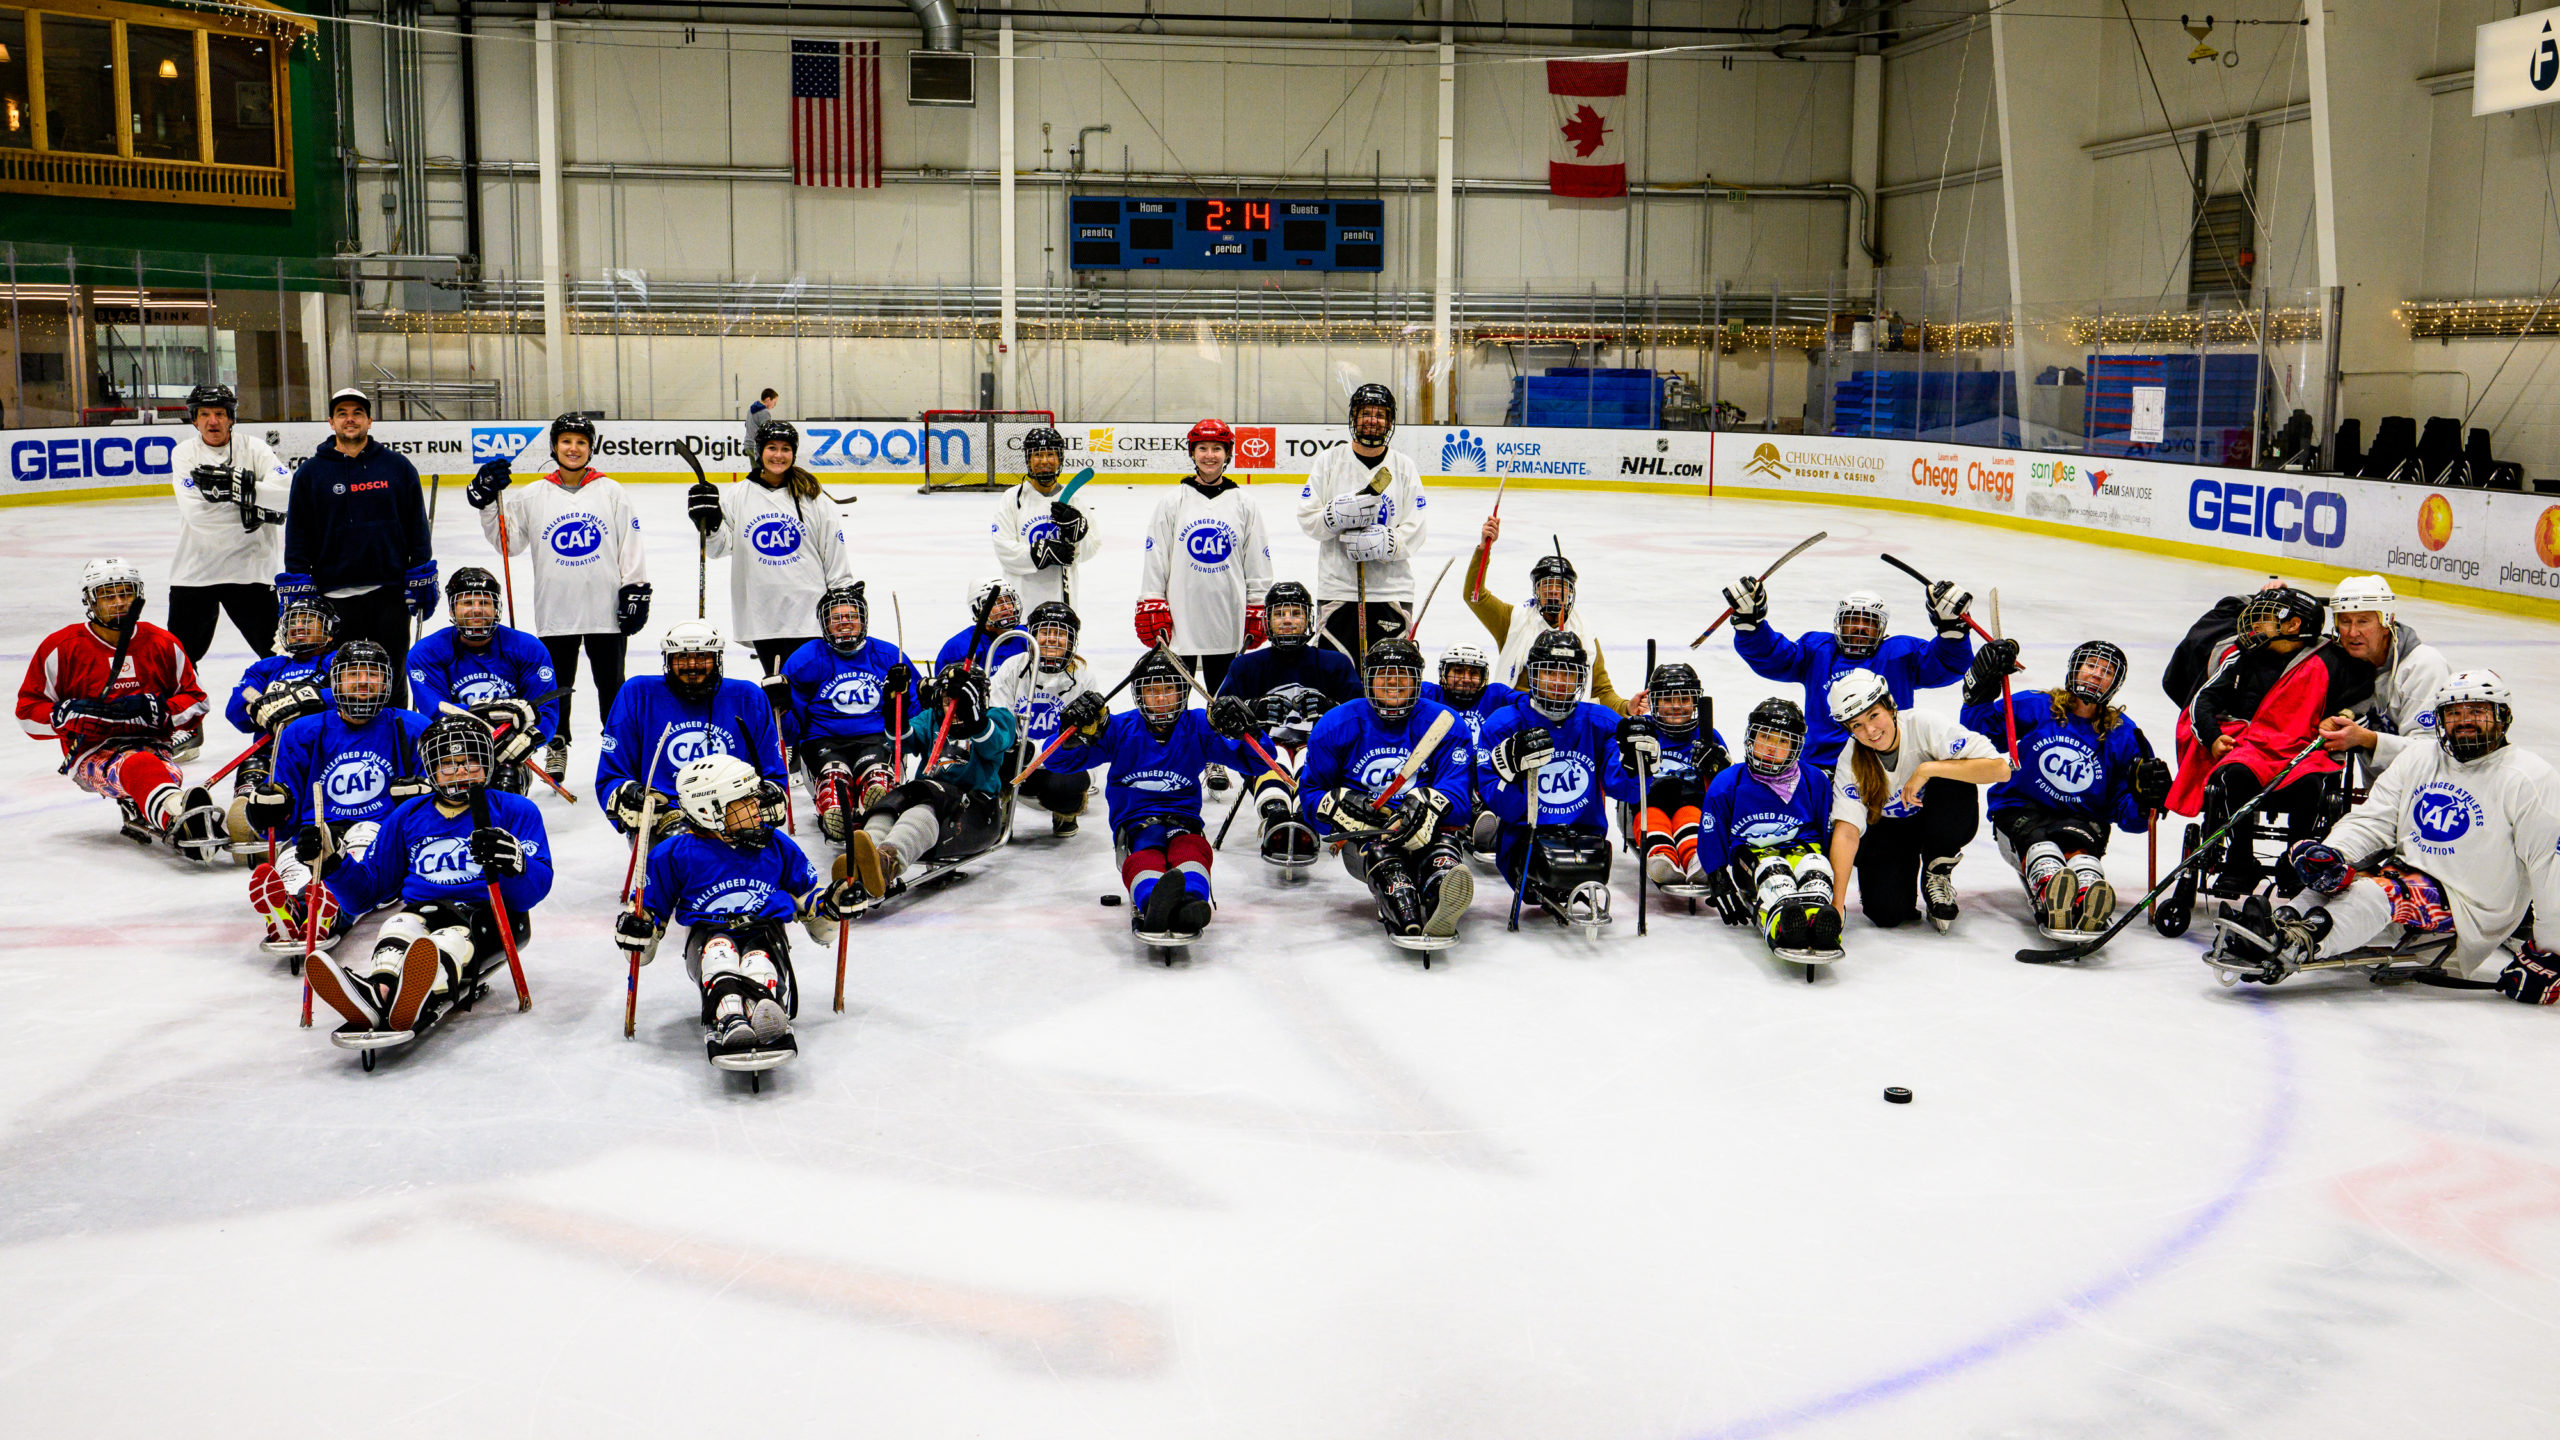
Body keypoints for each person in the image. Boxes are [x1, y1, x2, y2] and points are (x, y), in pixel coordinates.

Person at [2215, 671, 2560, 1006]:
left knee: (2372, 892)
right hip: (2407, 874)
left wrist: (2553, 953)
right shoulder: (2419, 756)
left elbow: (2550, 869)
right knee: (2332, 883)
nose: (2464, 720)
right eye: (2453, 712)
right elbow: (2374, 818)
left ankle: (2295, 943)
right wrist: (2334, 853)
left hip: (2471, 903)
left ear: (2503, 717)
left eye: (2477, 711)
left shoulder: (2530, 777)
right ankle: (2275, 925)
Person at [299, 714, 553, 1040]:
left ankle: (417, 992)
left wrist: (515, 863)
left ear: (488, 763)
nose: (461, 771)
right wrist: (333, 863)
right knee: (398, 926)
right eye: (448, 763)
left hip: (491, 918)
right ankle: (383, 991)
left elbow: (532, 892)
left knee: (446, 943)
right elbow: (365, 893)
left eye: (470, 761)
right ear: (431, 768)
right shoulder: (407, 815)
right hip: (423, 911)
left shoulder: (515, 809)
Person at [617, 754, 849, 1066]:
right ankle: (730, 1017)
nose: (758, 808)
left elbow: (813, 910)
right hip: (707, 939)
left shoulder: (776, 845)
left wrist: (834, 904)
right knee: (719, 951)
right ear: (709, 811)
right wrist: (636, 928)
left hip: (766, 935)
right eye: (745, 802)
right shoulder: (673, 855)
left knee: (758, 959)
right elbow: (648, 925)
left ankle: (764, 1011)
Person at [1041, 651, 1275, 941]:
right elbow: (1055, 761)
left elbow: (1260, 763)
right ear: (1138, 694)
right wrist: (1073, 734)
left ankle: (1191, 901)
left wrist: (1246, 730)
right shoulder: (1118, 728)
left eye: (1169, 689)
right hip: (1136, 824)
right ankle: (1154, 902)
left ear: (1183, 691)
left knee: (1191, 847)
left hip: (1183, 820)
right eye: (1151, 690)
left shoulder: (1201, 726)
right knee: (1144, 853)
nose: (1161, 698)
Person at [468, 413, 650, 778]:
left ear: (591, 448)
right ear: (554, 446)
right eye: (566, 441)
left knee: (611, 685)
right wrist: (489, 503)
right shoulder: (534, 494)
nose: (573, 448)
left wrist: (636, 588)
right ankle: (557, 743)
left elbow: (630, 544)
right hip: (556, 610)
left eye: (581, 442)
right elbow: (509, 543)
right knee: (555, 688)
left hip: (606, 610)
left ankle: (620, 747)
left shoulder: (611, 491)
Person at [2165, 583, 2373, 897]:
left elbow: (2364, 699)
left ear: (2293, 625)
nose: (2254, 623)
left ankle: (2293, 861)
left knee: (2310, 784)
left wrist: (2343, 715)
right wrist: (2213, 737)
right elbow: (2203, 700)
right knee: (2235, 774)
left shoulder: (2331, 659)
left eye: (2266, 617)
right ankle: (2239, 861)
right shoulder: (2245, 657)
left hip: (2302, 748)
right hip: (2254, 746)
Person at [16, 558, 219, 860]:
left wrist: (161, 710)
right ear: (91, 600)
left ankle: (177, 817)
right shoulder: (62, 647)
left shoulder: (162, 642)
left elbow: (197, 700)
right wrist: (67, 717)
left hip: (154, 747)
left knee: (148, 768)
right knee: (135, 766)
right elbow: (27, 712)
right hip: (91, 753)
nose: (119, 603)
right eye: (108, 596)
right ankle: (179, 819)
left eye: (125, 593)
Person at [1961, 639, 2168, 934]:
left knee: (2082, 858)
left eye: (2107, 671)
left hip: (2081, 820)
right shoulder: (2037, 706)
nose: (2097, 674)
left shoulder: (2124, 734)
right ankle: (2050, 890)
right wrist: (1980, 686)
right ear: (2074, 669)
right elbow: (1976, 733)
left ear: (2115, 684)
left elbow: (2130, 818)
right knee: (2042, 848)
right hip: (2021, 810)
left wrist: (2146, 800)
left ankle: (2088, 895)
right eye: (2091, 666)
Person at [243, 642, 432, 948]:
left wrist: (415, 803)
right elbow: (282, 816)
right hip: (315, 831)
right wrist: (268, 810)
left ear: (387, 682)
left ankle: (326, 912)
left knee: (361, 844)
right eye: (352, 674)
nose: (362, 682)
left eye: (373, 675)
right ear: (335, 682)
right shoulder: (300, 731)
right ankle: (292, 907)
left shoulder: (413, 728)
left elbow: (439, 807)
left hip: (380, 837)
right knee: (296, 858)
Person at [1298, 638, 1476, 948]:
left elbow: (1460, 799)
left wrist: (1431, 804)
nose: (1393, 683)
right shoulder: (1335, 725)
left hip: (1426, 832)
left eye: (1403, 675)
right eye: (1383, 675)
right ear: (1368, 681)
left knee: (1442, 856)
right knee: (1386, 860)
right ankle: (1403, 910)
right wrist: (1336, 806)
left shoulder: (1446, 724)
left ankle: (1440, 898)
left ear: (1418, 681)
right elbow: (1311, 796)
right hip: (1367, 836)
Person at [1473, 631, 1647, 926]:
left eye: (1568, 673)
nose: (1558, 681)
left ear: (1581, 679)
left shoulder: (1602, 722)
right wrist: (1509, 771)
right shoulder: (1503, 724)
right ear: (1533, 675)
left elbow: (1626, 790)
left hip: (1587, 837)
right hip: (1524, 840)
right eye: (1549, 672)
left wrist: (1639, 766)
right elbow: (1498, 801)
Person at [1823, 668, 2011, 933]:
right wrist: (1836, 905)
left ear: (1890, 707)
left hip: (1933, 820)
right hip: (1889, 832)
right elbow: (1846, 833)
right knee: (1886, 914)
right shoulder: (1850, 760)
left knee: (1954, 774)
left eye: (1874, 715)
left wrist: (1928, 770)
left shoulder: (1924, 725)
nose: (1871, 730)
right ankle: (1903, 872)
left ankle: (1937, 865)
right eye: (1857, 725)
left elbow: (2000, 770)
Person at [280, 388, 434, 708]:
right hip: (333, 595)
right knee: (342, 677)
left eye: (357, 413)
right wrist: (297, 576)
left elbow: (417, 527)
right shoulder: (310, 473)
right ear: (331, 422)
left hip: (388, 592)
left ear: (369, 421)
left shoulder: (397, 468)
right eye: (342, 414)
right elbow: (298, 532)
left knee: (391, 674)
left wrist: (421, 571)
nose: (350, 419)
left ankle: (395, 741)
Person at [1724, 579, 1972, 770]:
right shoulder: (1817, 651)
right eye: (1852, 620)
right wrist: (1750, 624)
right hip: (1823, 767)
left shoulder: (1900, 653)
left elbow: (1948, 664)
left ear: (1882, 628)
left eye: (1869, 622)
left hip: (1887, 766)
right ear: (1838, 624)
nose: (1860, 628)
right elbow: (1773, 656)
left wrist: (1952, 629)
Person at [841, 665, 1019, 907]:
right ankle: (864, 857)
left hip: (977, 811)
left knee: (923, 806)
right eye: (948, 701)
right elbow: (900, 743)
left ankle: (886, 862)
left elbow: (995, 743)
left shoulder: (999, 718)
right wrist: (895, 708)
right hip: (930, 793)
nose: (954, 709)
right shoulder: (932, 718)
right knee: (891, 803)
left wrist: (974, 720)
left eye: (963, 702)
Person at [688, 419, 856, 676]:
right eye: (772, 448)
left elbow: (833, 551)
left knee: (808, 692)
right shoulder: (737, 496)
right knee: (778, 693)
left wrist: (842, 595)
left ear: (794, 453)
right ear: (760, 451)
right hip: (763, 616)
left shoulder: (812, 497)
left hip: (808, 617)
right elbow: (719, 548)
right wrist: (710, 524)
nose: (779, 455)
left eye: (785, 449)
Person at [597, 620, 789, 840]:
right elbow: (611, 775)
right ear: (668, 661)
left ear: (717, 660)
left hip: (735, 813)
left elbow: (772, 774)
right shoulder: (638, 695)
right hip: (666, 818)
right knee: (681, 857)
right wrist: (628, 795)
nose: (692, 665)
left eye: (701, 657)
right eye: (682, 657)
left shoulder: (748, 697)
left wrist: (770, 794)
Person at [1217, 581, 1360, 862]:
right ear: (1267, 620)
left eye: (1295, 613)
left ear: (1308, 619)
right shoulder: (1245, 665)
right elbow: (1219, 716)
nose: (1287, 620)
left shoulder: (1336, 664)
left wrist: (1333, 711)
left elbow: (1362, 717)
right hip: (1267, 747)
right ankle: (1277, 816)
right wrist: (1251, 709)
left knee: (1311, 756)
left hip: (1318, 745)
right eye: (1279, 614)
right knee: (1274, 755)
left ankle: (1307, 818)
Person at [1135, 418, 1273, 696]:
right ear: (1192, 453)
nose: (1210, 456)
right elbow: (1156, 558)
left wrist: (1258, 604)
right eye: (1203, 448)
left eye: (1216, 449)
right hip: (1179, 621)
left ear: (1228, 454)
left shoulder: (1244, 504)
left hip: (1227, 619)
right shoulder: (1173, 501)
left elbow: (1257, 562)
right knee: (1173, 705)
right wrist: (1152, 600)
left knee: (1224, 705)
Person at [1697, 699, 1840, 956]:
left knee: (1815, 870)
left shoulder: (1814, 780)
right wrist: (1718, 877)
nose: (1772, 748)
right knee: (1776, 877)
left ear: (1796, 746)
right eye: (1765, 737)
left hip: (1803, 848)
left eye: (1783, 741)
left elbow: (1826, 828)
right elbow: (1711, 831)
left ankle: (1820, 924)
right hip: (1751, 857)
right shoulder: (1729, 782)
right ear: (1751, 738)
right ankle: (1783, 926)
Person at [1295, 384, 1427, 657]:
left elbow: (1417, 527)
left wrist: (1388, 542)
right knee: (1336, 678)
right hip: (1338, 589)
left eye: (1380, 415)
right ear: (1354, 418)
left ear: (1389, 422)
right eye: (1366, 413)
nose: (1372, 421)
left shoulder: (1403, 467)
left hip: (1391, 591)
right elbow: (1308, 519)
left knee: (1387, 679)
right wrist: (1332, 517)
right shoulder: (1329, 461)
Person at [781, 584, 921, 841]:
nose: (844, 623)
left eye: (851, 617)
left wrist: (904, 699)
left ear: (863, 620)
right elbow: (790, 733)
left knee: (877, 776)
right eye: (836, 618)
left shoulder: (889, 656)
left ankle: (879, 811)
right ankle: (835, 814)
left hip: (877, 737)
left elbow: (915, 716)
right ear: (824, 623)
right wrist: (779, 708)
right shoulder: (805, 660)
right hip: (823, 741)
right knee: (835, 780)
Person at [405, 567, 561, 794]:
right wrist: (491, 717)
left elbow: (545, 713)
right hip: (450, 747)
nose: (476, 610)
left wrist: (528, 740)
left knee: (507, 780)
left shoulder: (528, 649)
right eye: (467, 603)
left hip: (507, 753)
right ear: (452, 608)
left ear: (496, 608)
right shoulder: (426, 652)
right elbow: (437, 712)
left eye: (484, 603)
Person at [165, 382, 290, 668]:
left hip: (252, 572)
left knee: (279, 660)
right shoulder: (184, 453)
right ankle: (180, 713)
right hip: (195, 573)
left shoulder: (255, 448)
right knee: (178, 664)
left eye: (220, 413)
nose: (213, 421)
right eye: (205, 413)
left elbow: (286, 494)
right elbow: (197, 514)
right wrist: (254, 505)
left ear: (231, 417)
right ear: (194, 419)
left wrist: (235, 492)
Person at [220, 596, 342, 861]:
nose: (299, 627)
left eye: (309, 621)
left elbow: (350, 693)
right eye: (293, 622)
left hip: (322, 756)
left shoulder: (337, 662)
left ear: (330, 632)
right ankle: (264, 820)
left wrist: (310, 700)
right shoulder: (268, 667)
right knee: (243, 821)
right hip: (270, 755)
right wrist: (257, 708)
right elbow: (238, 704)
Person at [1461, 523, 1625, 711]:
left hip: (1566, 720)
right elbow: (1475, 597)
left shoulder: (1585, 633)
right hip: (1519, 716)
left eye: (1561, 585)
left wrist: (1627, 707)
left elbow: (1602, 691)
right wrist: (1484, 548)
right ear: (1536, 590)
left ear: (1570, 592)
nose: (1554, 591)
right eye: (1547, 585)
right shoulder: (1513, 619)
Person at [2316, 576, 2453, 779]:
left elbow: (2428, 752)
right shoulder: (2344, 665)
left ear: (2386, 620)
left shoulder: (2424, 666)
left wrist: (2367, 739)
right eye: (2345, 622)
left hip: (2425, 793)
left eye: (2363, 621)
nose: (2353, 632)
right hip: (2380, 794)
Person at [992, 600, 1098, 837]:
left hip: (1057, 764)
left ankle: (1065, 813)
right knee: (990, 757)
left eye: (1059, 633)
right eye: (1044, 632)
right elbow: (997, 717)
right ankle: (997, 811)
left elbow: (1090, 739)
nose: (1051, 639)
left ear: (1072, 640)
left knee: (1067, 784)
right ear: (1032, 636)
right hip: (1017, 759)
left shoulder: (1083, 678)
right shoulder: (1012, 668)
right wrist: (1016, 748)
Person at [1624, 661, 1731, 891]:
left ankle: (1695, 858)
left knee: (1691, 817)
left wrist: (1719, 765)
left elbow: (1727, 783)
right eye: (1668, 699)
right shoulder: (1643, 730)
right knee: (1651, 819)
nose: (1676, 706)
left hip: (1691, 805)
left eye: (1683, 699)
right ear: (1653, 702)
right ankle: (1662, 857)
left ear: (1695, 702)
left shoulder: (1707, 734)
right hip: (1649, 805)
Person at [990, 427, 1096, 611]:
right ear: (1029, 460)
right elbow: (1003, 549)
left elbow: (1090, 550)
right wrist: (1039, 552)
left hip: (1062, 603)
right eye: (1038, 454)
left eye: (1050, 454)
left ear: (1060, 459)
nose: (1045, 461)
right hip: (1022, 603)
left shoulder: (1074, 501)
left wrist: (1079, 534)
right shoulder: (1012, 499)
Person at [937, 578, 1030, 675]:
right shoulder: (958, 647)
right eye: (997, 603)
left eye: (1008, 601)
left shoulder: (1027, 636)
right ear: (977, 609)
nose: (1006, 607)